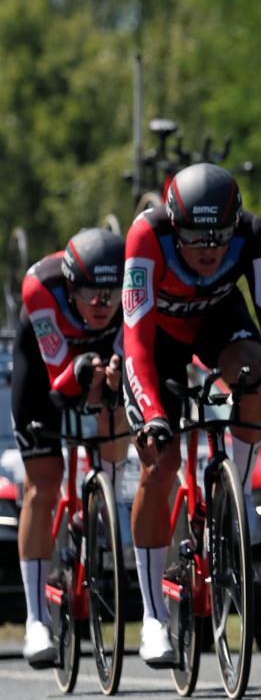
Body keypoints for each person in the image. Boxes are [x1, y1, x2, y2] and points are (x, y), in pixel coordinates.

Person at [121, 163, 261, 664]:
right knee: (157, 462)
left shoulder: (250, 234)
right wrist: (152, 416)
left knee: (254, 376)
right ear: (172, 224)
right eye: (193, 237)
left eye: (217, 237)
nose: (208, 249)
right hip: (157, 341)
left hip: (216, 321)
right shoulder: (147, 236)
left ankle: (240, 492)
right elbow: (135, 343)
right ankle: (153, 616)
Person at [14, 228, 124, 666]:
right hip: (43, 372)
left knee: (117, 428)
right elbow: (60, 379)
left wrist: (115, 381)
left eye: (111, 293)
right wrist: (80, 373)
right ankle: (35, 620)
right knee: (44, 482)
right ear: (70, 286)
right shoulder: (42, 285)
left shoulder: (132, 286)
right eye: (90, 294)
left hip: (99, 357)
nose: (101, 303)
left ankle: (100, 520)